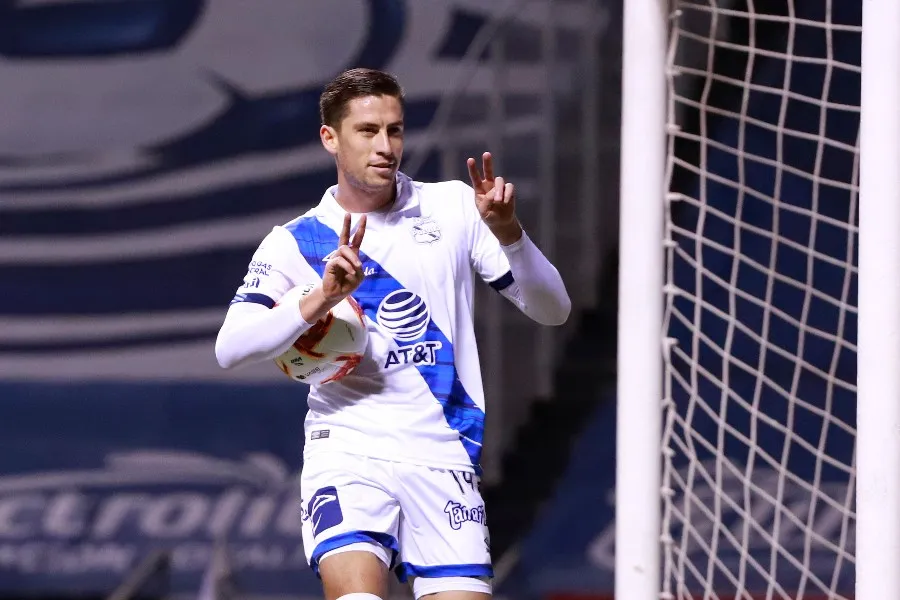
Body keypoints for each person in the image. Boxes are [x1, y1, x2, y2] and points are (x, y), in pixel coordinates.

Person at [215, 68, 571, 600]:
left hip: (445, 452)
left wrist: (510, 234)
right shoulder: (295, 241)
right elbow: (230, 347)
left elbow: (553, 310)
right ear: (329, 138)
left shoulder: (454, 207)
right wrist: (321, 300)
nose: (385, 146)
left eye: (395, 130)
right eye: (367, 131)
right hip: (349, 447)